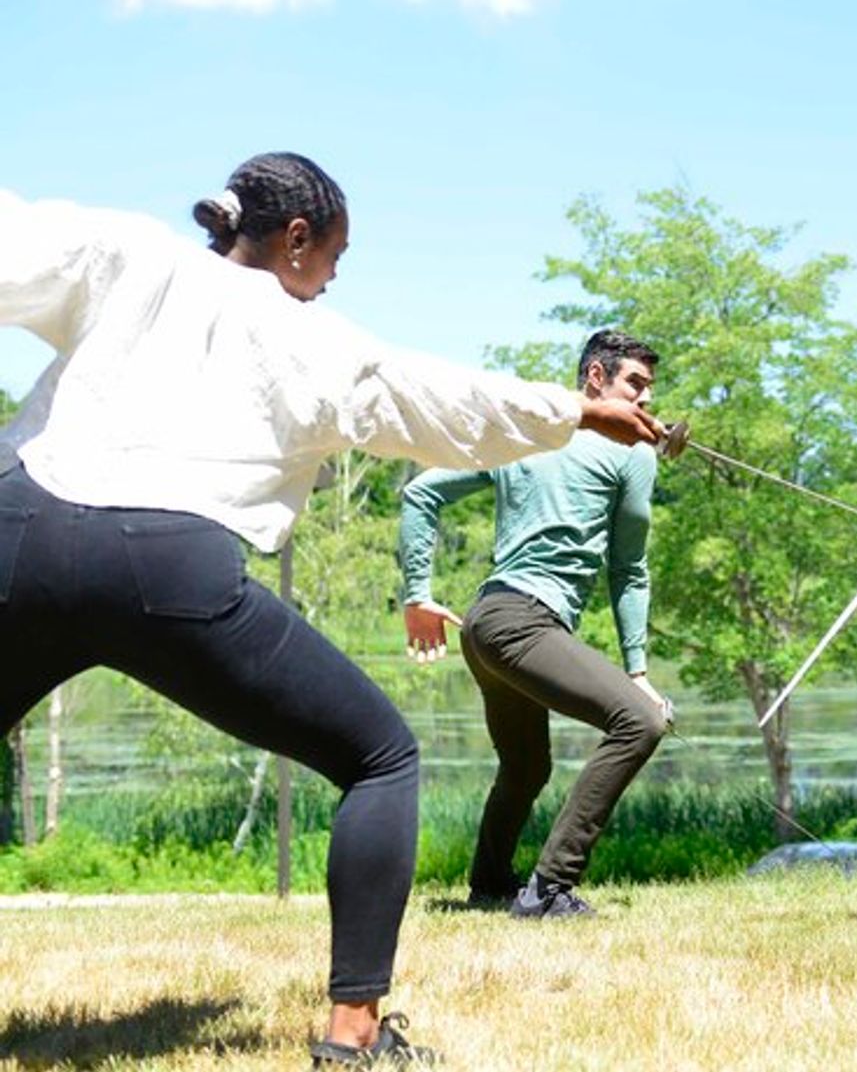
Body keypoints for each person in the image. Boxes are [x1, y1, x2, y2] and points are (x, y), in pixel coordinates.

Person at [0, 153, 659, 1067]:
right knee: (380, 757)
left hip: (17, 526)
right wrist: (578, 413)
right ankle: (353, 1036)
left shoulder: (130, 251)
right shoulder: (309, 337)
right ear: (297, 238)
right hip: (165, 564)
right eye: (335, 255)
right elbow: (443, 403)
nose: (335, 278)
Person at [399, 329, 670, 919]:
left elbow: (419, 493)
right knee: (640, 722)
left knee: (527, 766)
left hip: (484, 625)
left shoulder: (526, 437)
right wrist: (639, 674)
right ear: (595, 379)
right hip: (520, 621)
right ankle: (550, 889)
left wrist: (418, 595)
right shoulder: (632, 453)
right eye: (636, 385)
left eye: (649, 389)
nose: (646, 400)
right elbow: (630, 569)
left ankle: (491, 883)